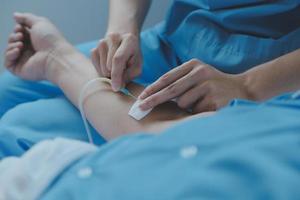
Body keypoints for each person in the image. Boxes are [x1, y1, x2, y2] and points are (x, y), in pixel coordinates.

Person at [0, 0, 300, 157]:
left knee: (20, 128)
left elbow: (159, 131)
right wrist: (122, 28)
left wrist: (248, 86)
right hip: (181, 34)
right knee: (8, 91)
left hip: (273, 68)